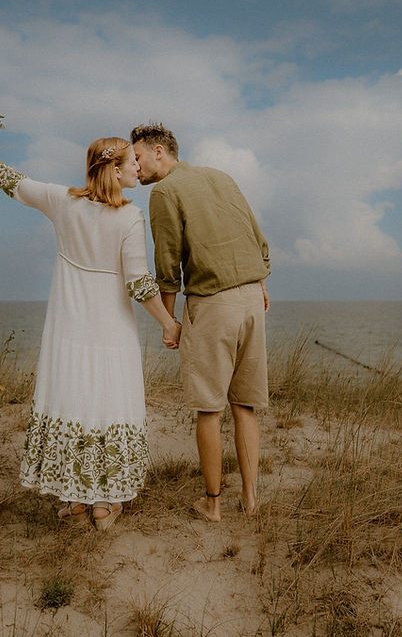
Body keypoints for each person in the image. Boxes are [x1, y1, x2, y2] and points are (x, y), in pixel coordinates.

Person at [0, 137, 181, 530]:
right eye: (133, 161)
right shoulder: (130, 217)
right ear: (114, 169)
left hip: (68, 329)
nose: (138, 167)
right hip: (111, 332)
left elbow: (14, 182)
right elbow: (138, 284)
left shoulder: (63, 201)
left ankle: (78, 502)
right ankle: (103, 505)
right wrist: (169, 323)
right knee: (108, 404)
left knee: (76, 402)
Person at [130, 123, 270, 522]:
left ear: (159, 151)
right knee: (244, 406)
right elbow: (255, 235)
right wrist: (260, 282)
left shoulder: (164, 191)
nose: (134, 167)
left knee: (209, 409)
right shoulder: (221, 177)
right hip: (250, 299)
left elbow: (167, 262)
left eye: (137, 158)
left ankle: (212, 504)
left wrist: (168, 321)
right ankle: (251, 499)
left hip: (213, 305)